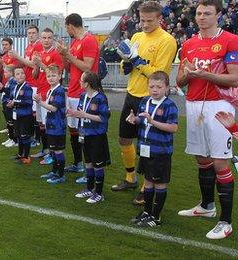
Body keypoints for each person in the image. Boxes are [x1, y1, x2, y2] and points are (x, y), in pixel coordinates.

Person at [175, 0, 238, 240]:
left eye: (207, 13)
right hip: (193, 105)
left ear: (218, 15)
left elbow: (234, 79)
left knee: (220, 163)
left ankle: (226, 221)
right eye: (199, 13)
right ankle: (207, 206)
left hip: (219, 106)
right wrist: (187, 74)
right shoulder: (189, 43)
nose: (202, 17)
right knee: (202, 159)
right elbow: (180, 81)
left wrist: (204, 74)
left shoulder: (231, 40)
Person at [112, 1, 178, 207]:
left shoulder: (167, 41)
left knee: (147, 145)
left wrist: (138, 60)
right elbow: (126, 65)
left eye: (150, 20)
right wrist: (126, 62)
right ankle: (131, 178)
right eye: (142, 20)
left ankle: (145, 187)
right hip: (132, 94)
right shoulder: (137, 36)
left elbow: (160, 74)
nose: (145, 24)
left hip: (151, 98)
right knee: (124, 139)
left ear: (160, 19)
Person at [127, 71, 178, 227]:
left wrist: (152, 121)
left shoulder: (170, 105)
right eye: (151, 86)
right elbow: (142, 121)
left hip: (161, 152)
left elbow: (173, 128)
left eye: (159, 87)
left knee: (160, 184)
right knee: (148, 182)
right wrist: (134, 119)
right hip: (145, 149)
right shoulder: (145, 101)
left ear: (166, 88)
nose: (154, 90)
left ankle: (156, 217)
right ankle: (147, 212)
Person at [57, 13, 100, 182]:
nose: (66, 30)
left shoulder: (89, 40)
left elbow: (88, 67)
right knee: (74, 130)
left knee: (85, 132)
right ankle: (78, 163)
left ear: (70, 25)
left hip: (85, 92)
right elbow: (69, 67)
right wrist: (63, 54)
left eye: (66, 27)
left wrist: (68, 55)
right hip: (74, 91)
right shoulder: (75, 42)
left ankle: (87, 170)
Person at [68, 72, 111, 204]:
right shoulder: (82, 96)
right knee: (88, 162)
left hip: (97, 136)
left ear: (87, 84)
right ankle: (89, 188)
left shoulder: (101, 98)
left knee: (98, 165)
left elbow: (103, 118)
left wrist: (84, 114)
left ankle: (98, 193)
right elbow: (82, 114)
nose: (79, 82)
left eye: (81, 80)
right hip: (84, 134)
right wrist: (74, 113)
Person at [30, 28, 64, 166]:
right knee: (41, 124)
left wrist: (40, 64)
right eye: (44, 38)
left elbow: (55, 72)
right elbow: (34, 75)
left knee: (49, 124)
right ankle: (45, 150)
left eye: (49, 38)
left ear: (53, 39)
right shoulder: (39, 53)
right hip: (40, 92)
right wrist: (36, 66)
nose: (46, 40)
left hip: (50, 94)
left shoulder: (56, 54)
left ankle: (52, 153)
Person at [34, 65, 67, 184]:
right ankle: (54, 171)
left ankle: (60, 175)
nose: (51, 78)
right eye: (48, 76)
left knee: (58, 151)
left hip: (58, 126)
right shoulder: (50, 90)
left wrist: (40, 102)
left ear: (59, 76)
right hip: (51, 125)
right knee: (53, 150)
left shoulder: (59, 90)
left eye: (54, 75)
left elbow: (53, 108)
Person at [9, 67, 34, 165]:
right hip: (17, 115)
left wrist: (14, 102)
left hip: (25, 116)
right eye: (18, 74)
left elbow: (28, 102)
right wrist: (10, 102)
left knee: (25, 136)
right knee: (19, 135)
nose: (20, 75)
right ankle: (20, 154)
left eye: (22, 73)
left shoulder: (27, 87)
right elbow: (11, 98)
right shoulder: (15, 86)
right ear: (14, 77)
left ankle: (26, 157)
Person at [0, 65, 17, 147]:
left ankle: (15, 140)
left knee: (11, 122)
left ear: (11, 73)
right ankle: (11, 138)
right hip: (5, 103)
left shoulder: (13, 81)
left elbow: (12, 94)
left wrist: (3, 88)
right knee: (9, 122)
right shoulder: (8, 81)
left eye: (6, 72)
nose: (4, 74)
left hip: (9, 104)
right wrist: (2, 88)